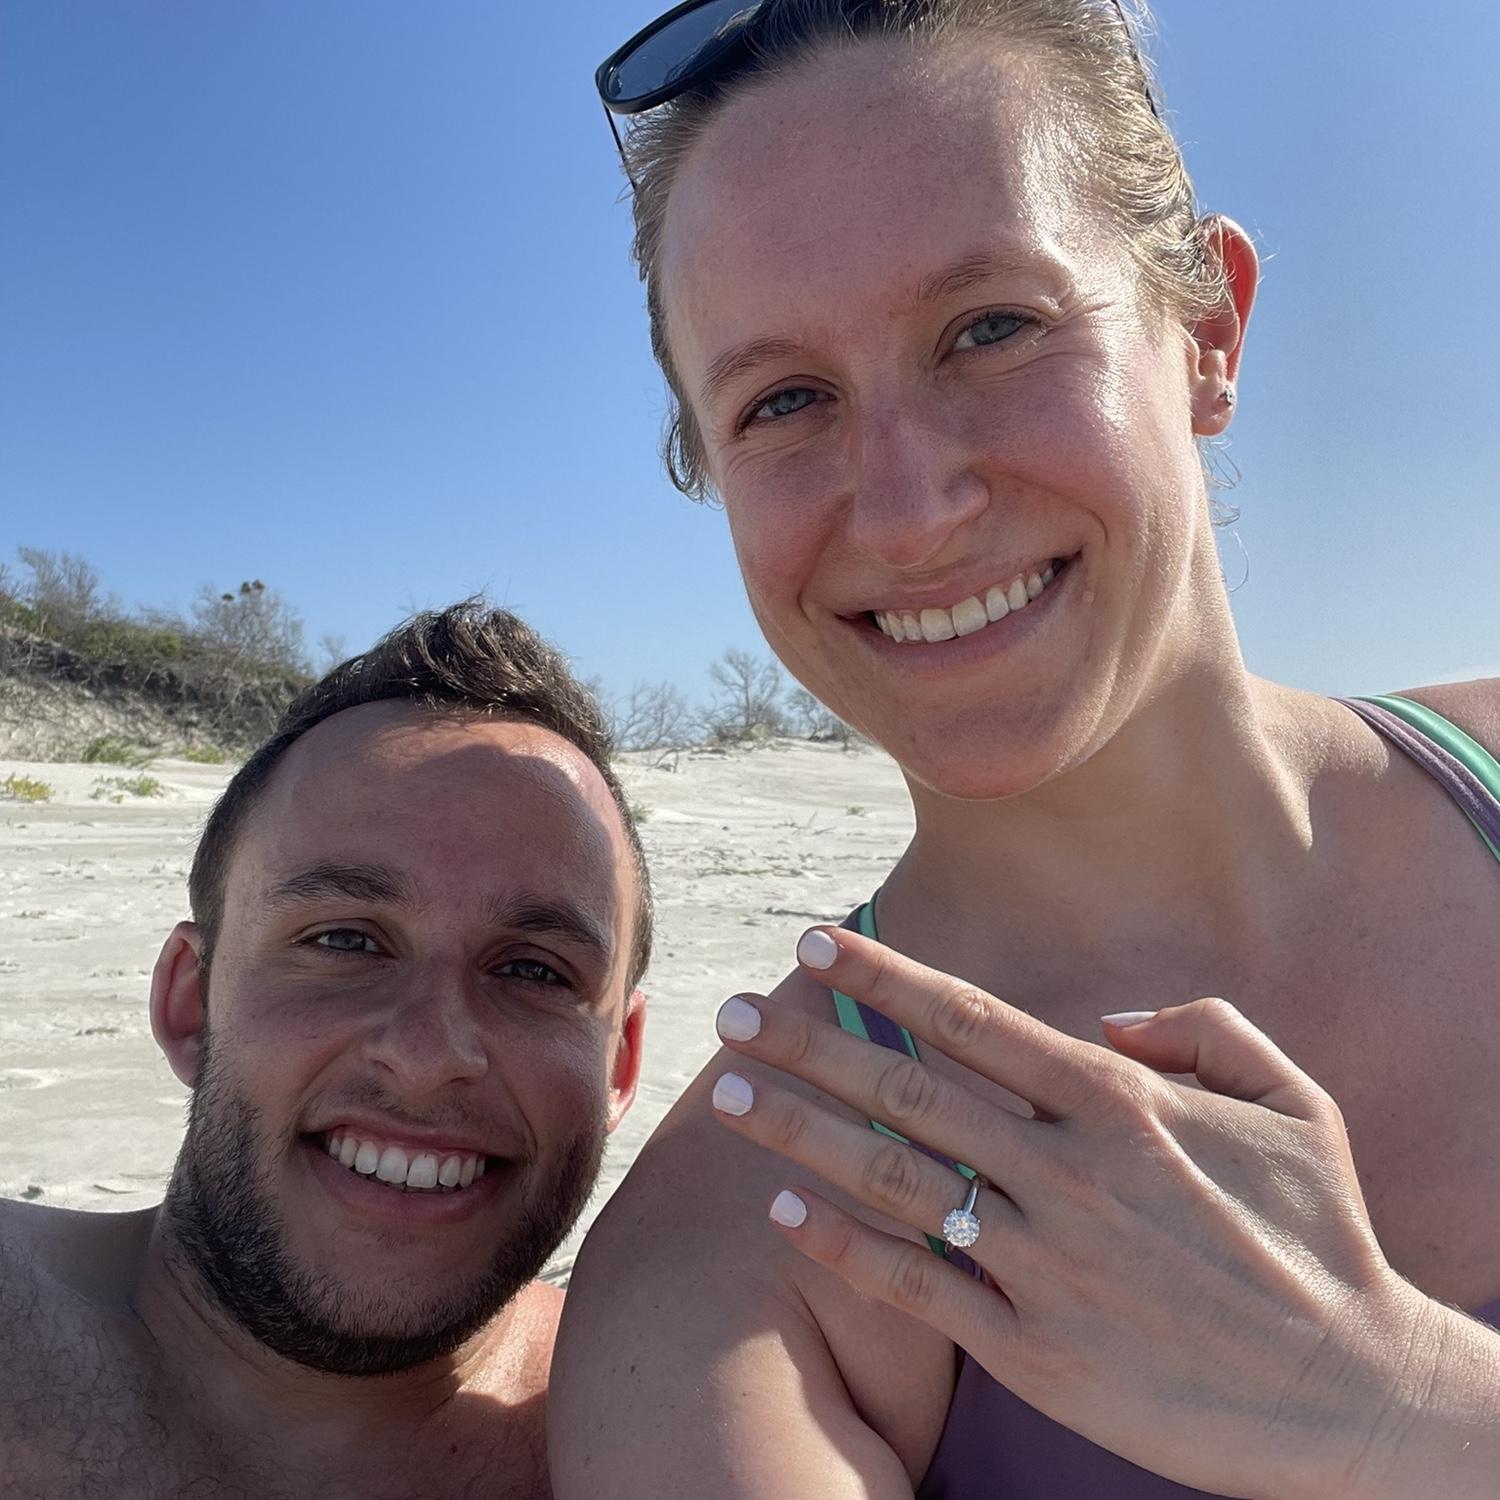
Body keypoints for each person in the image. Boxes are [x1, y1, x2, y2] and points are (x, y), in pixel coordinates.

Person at [554, 2, 1500, 1496]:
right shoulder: (748, 1242)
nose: (908, 510)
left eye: (990, 327)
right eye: (784, 401)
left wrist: (1400, 1408)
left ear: (1209, 333)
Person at [1, 601, 649, 1500]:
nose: (426, 1056)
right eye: (345, 941)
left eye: (534, 970)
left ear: (620, 1064)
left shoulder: (689, 1428)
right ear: (190, 1002)